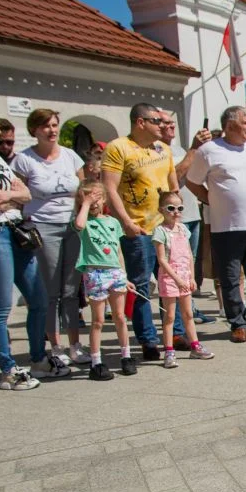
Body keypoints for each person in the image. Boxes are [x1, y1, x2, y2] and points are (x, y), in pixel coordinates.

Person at [0, 106, 70, 390]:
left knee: (39, 298)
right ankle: (8, 370)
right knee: (0, 306)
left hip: (15, 230)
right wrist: (11, 197)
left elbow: (25, 194)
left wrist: (9, 196)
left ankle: (37, 359)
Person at [102, 103, 188, 360]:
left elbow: (173, 184)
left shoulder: (163, 149)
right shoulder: (119, 148)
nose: (162, 126)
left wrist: (177, 215)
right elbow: (110, 188)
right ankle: (148, 340)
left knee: (170, 282)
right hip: (139, 229)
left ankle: (174, 334)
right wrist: (126, 222)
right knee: (141, 285)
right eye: (156, 121)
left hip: (165, 228)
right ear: (140, 122)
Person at [186, 106, 246, 343]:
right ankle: (238, 323)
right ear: (229, 125)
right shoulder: (208, 150)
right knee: (230, 278)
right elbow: (192, 182)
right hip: (226, 228)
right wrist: (210, 199)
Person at [9, 108, 90, 365]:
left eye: (55, 125)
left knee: (71, 289)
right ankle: (55, 347)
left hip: (72, 225)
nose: (52, 130)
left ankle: (75, 344)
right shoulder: (24, 160)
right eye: (46, 126)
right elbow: (17, 196)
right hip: (42, 226)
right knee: (50, 290)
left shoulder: (71, 156)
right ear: (35, 130)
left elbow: (83, 190)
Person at [72, 180, 137, 380]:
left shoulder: (112, 222)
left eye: (97, 197)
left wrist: (124, 276)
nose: (94, 202)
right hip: (95, 273)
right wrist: (85, 203)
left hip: (114, 272)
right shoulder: (84, 222)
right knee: (98, 320)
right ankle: (96, 362)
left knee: (119, 316)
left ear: (104, 198)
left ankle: (126, 356)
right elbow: (79, 224)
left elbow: (118, 251)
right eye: (89, 198)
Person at [159, 112, 215, 325]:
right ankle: (176, 320)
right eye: (165, 123)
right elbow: (176, 175)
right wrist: (194, 148)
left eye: (173, 122)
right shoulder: (158, 151)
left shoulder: (178, 149)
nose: (171, 126)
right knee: (174, 266)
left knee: (190, 264)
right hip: (173, 218)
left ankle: (189, 309)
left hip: (191, 213)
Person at [152, 191, 215, 366]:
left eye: (179, 208)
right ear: (161, 210)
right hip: (169, 279)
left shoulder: (183, 229)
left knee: (188, 313)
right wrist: (177, 279)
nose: (176, 212)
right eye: (171, 208)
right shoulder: (160, 231)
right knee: (170, 316)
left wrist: (192, 277)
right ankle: (169, 351)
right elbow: (162, 260)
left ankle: (195, 346)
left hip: (185, 277)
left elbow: (189, 255)